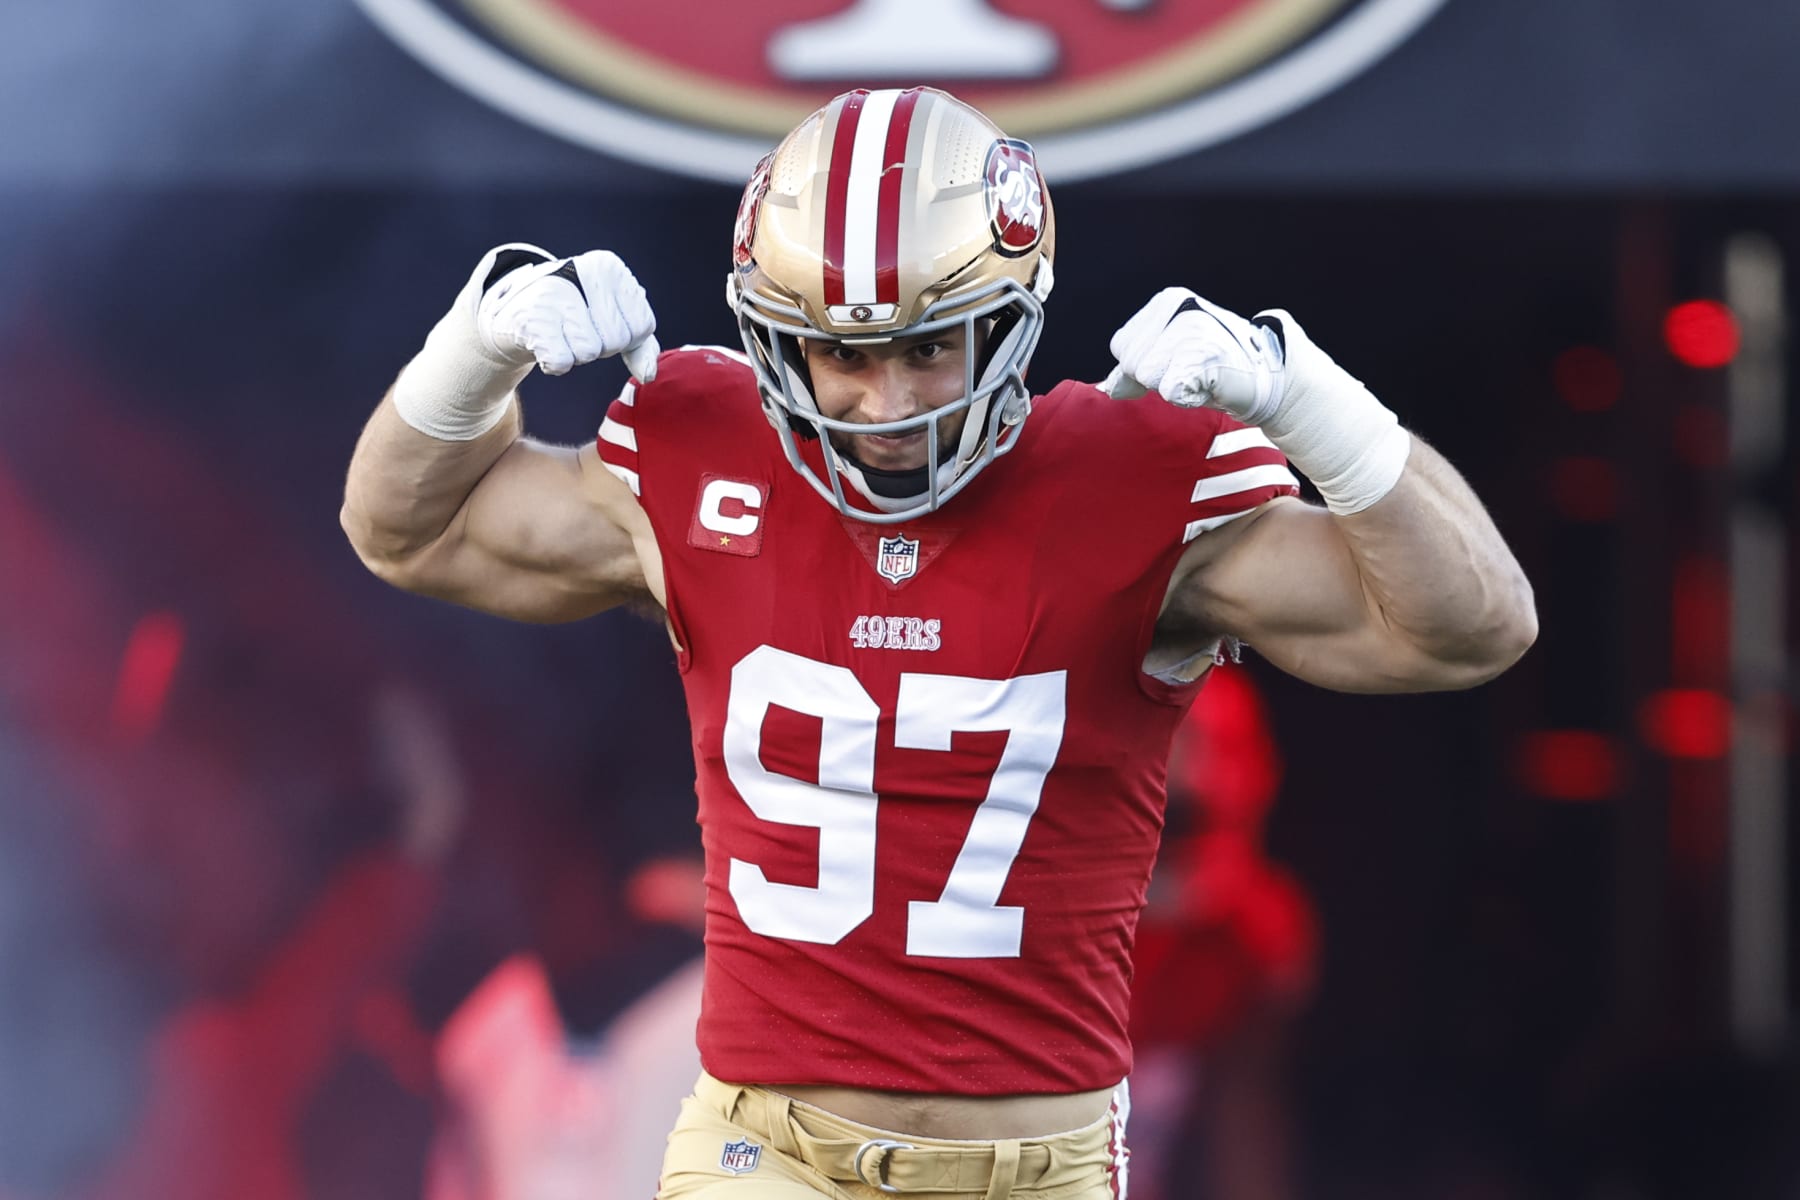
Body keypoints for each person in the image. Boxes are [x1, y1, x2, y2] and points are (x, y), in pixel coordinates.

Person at [342, 86, 1535, 1200]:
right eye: (847, 354)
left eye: (929, 346)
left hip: (1035, 1161)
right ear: (778, 338)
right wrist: (475, 352)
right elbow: (406, 531)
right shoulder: (699, 453)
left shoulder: (1136, 479)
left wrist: (1306, 395)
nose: (889, 403)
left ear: (1011, 321)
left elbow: (1469, 628)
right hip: (770, 1148)